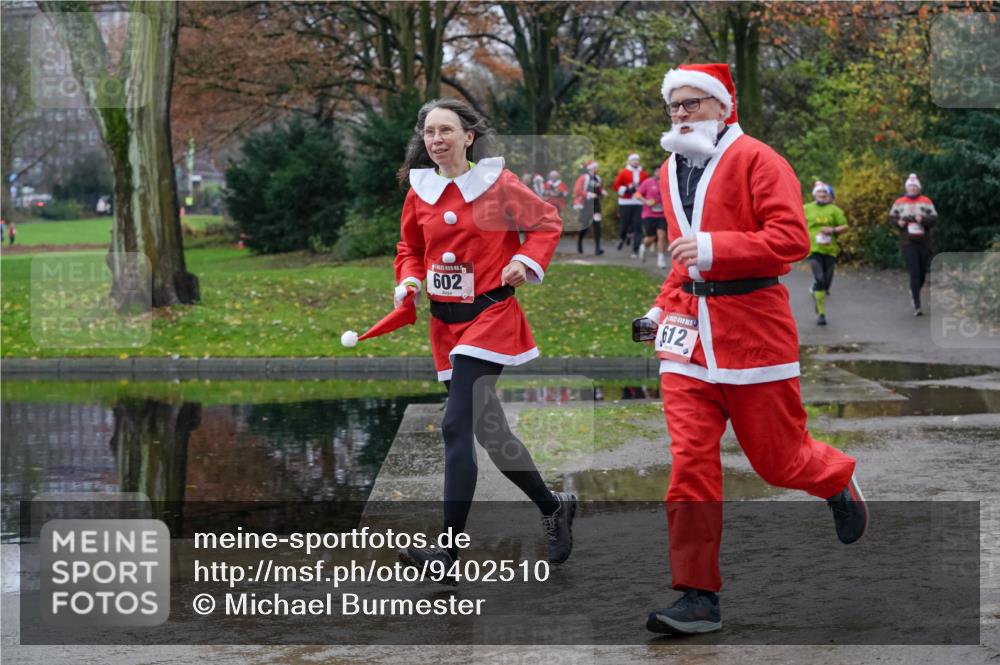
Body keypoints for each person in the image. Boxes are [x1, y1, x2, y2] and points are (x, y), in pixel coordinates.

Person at [636, 63, 866, 636]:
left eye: (693, 104)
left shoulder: (760, 159)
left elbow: (792, 239)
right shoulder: (670, 169)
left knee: (779, 462)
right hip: (687, 341)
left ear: (723, 106)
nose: (681, 114)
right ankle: (696, 596)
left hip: (753, 333)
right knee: (689, 464)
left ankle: (835, 478)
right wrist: (660, 309)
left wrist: (713, 247)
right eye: (674, 106)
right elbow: (682, 260)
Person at [393, 98, 576, 582]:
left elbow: (547, 222)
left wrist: (527, 261)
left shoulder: (496, 184)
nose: (437, 140)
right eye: (430, 132)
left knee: (456, 426)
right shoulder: (421, 191)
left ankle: (447, 556)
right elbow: (409, 248)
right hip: (445, 324)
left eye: (446, 130)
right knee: (490, 433)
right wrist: (409, 281)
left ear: (467, 137)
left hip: (490, 316)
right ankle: (554, 505)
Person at [889, 173, 938, 316]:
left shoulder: (926, 201)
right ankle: (917, 304)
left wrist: (922, 219)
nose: (912, 189)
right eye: (910, 187)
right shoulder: (899, 202)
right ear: (906, 188)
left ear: (918, 188)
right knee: (914, 271)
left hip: (923, 241)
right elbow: (892, 217)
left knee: (922, 272)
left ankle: (914, 289)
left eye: (915, 187)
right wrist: (899, 222)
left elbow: (934, 218)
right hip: (907, 241)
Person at [804, 180, 848, 325]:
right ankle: (821, 313)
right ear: (815, 195)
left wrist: (832, 230)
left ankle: (819, 296)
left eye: (824, 193)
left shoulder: (834, 210)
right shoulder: (806, 209)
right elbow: (797, 224)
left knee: (826, 283)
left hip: (830, 250)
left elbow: (845, 226)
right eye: (819, 192)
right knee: (820, 279)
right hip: (814, 249)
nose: (822, 195)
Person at [613, 153, 648, 257]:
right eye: (633, 160)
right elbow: (616, 186)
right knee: (625, 224)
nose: (636, 162)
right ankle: (622, 238)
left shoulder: (643, 174)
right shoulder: (623, 172)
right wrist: (627, 189)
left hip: (638, 202)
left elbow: (646, 186)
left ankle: (635, 249)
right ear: (629, 162)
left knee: (638, 226)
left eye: (637, 160)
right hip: (626, 202)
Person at [635, 167, 669, 268]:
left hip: (662, 214)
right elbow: (637, 194)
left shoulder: (667, 182)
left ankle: (661, 260)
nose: (660, 173)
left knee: (661, 236)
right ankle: (643, 246)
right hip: (649, 214)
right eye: (658, 171)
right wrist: (646, 201)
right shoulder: (648, 182)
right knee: (651, 237)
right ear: (655, 172)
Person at [573, 160, 605, 255]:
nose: (597, 169)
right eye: (595, 167)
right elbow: (577, 191)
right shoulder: (584, 178)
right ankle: (579, 242)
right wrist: (590, 194)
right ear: (590, 168)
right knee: (585, 225)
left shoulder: (598, 178)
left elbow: (599, 189)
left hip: (596, 204)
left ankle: (598, 248)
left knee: (597, 225)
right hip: (586, 204)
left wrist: (602, 192)